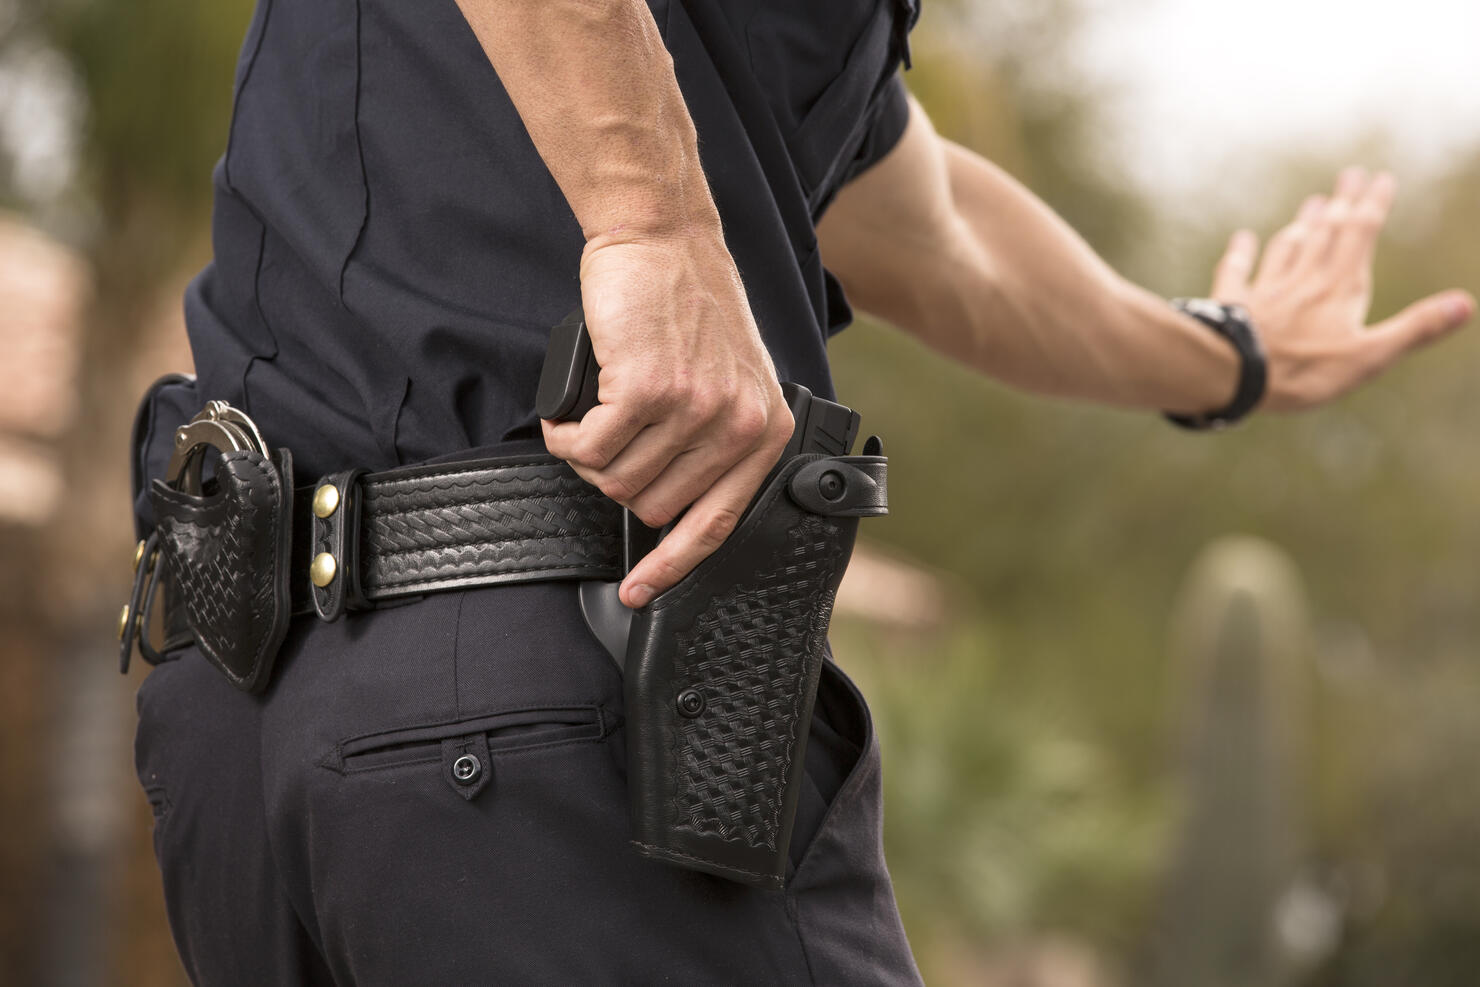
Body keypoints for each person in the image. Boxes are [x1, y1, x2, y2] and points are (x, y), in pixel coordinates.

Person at [128, 0, 1473, 984]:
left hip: (251, 730)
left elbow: (927, 231)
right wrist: (646, 216)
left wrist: (1229, 356)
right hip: (536, 706)